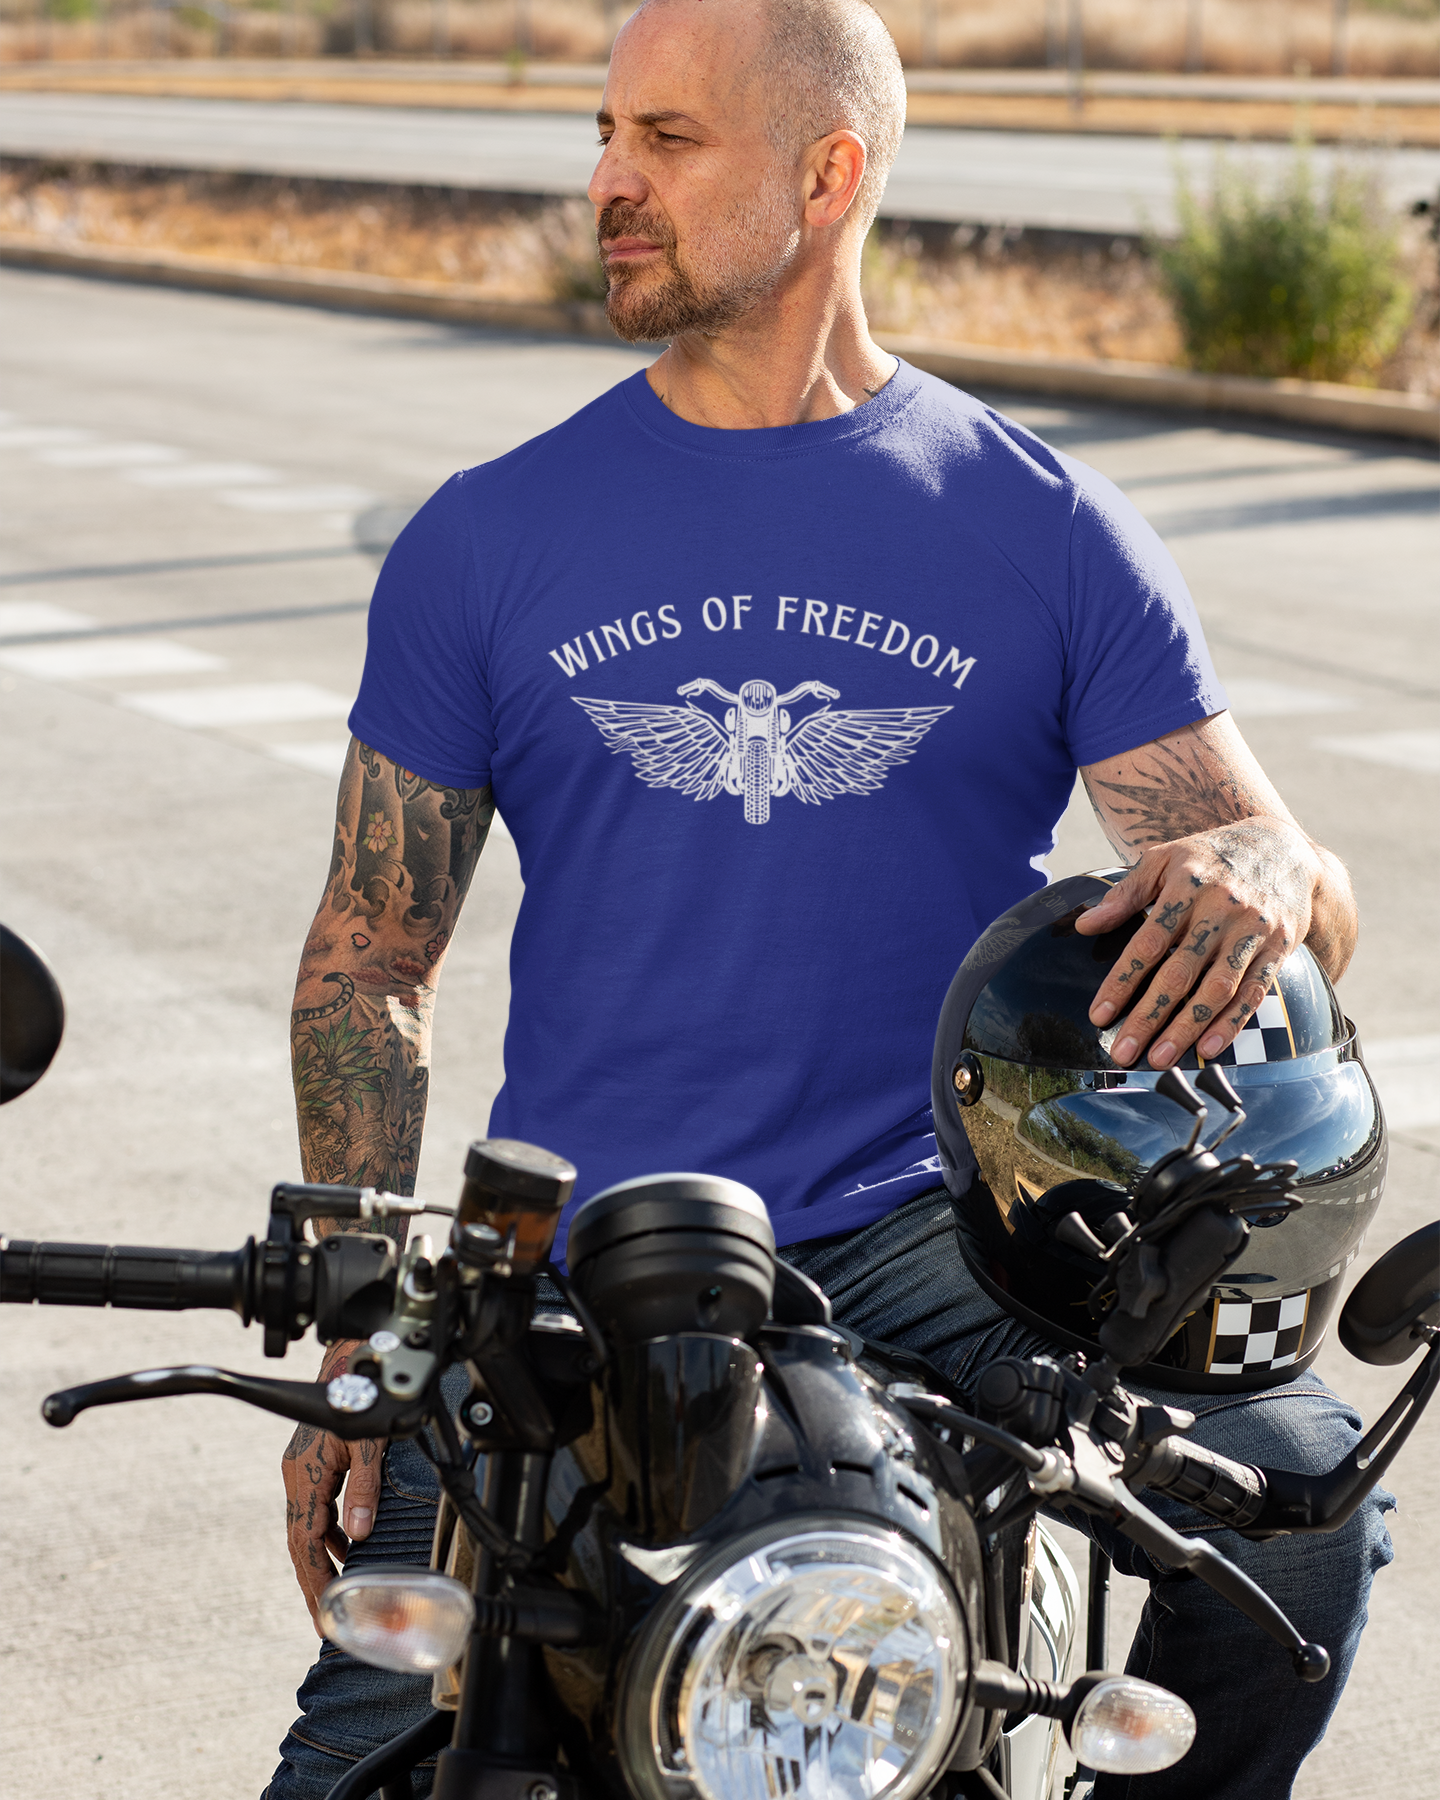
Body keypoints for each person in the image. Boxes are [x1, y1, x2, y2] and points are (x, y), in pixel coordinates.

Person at [266, 1, 1392, 1794]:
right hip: (578, 1265)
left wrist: (1276, 863)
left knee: (1302, 1520)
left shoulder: (1041, 525)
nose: (606, 182)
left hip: (940, 1239)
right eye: (610, 133)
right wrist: (364, 1327)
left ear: (829, 172)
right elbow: (371, 957)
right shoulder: (488, 536)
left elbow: (1289, 896)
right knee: (364, 1745)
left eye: (666, 142)